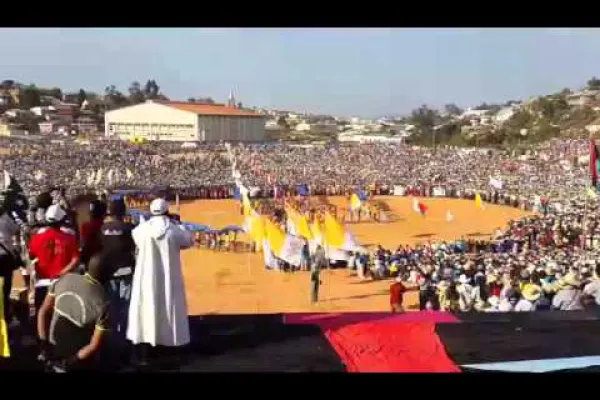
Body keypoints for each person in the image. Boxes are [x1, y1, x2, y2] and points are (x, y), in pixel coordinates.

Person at [126, 198, 194, 368]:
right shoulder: (173, 230)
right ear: (166, 210)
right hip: (169, 279)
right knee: (170, 310)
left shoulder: (142, 230)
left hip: (146, 278)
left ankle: (145, 352)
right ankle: (170, 350)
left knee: (146, 311)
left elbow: (135, 236)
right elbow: (188, 240)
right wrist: (179, 224)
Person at [37, 254, 110, 372]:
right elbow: (93, 345)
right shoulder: (103, 302)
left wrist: (43, 344)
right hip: (76, 356)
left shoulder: (64, 279)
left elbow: (42, 312)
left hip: (53, 346)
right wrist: (68, 363)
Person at [99, 199, 135, 358]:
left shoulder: (101, 229)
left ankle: (112, 344)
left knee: (111, 310)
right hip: (126, 273)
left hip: (108, 274)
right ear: (123, 212)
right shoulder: (130, 228)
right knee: (126, 310)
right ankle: (125, 343)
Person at [28, 205, 80, 314]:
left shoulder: (36, 237)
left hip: (42, 283)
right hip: (63, 284)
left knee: (42, 316)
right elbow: (75, 260)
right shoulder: (69, 237)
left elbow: (31, 256)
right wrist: (62, 273)